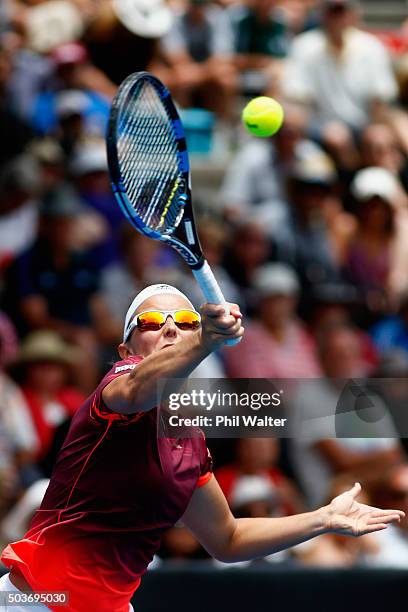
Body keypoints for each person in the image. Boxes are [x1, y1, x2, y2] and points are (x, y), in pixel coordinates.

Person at [0, 284, 404, 612]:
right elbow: (141, 388)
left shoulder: (189, 442)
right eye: (153, 321)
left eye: (186, 321)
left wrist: (322, 519)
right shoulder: (118, 390)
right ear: (126, 351)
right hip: (33, 601)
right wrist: (204, 339)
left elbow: (227, 539)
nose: (171, 328)